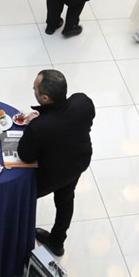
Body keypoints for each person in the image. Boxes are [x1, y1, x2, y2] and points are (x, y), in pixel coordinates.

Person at [14, 69, 95, 256]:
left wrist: (35, 124)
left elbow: (25, 155)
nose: (32, 88)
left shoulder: (39, 127)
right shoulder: (83, 102)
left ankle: (18, 237)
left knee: (23, 198)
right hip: (78, 162)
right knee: (66, 199)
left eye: (35, 88)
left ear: (45, 98)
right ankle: (57, 242)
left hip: (50, 174)